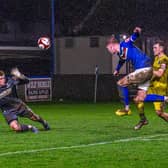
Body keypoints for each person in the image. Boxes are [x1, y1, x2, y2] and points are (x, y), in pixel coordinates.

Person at [106, 27, 153, 116]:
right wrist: (117, 69)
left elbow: (133, 38)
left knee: (121, 83)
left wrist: (137, 32)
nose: (108, 51)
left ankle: (127, 108)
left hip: (143, 69)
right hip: (147, 69)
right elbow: (122, 60)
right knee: (140, 98)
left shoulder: (125, 43)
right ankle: (165, 98)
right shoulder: (121, 53)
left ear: (111, 46)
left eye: (108, 49)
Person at [0, 68, 50, 133]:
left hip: (18, 105)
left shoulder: (10, 81)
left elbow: (26, 81)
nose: (2, 80)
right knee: (16, 128)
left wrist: (19, 75)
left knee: (34, 117)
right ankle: (31, 127)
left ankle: (43, 122)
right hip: (7, 110)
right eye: (0, 79)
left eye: (2, 78)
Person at [134, 40, 168, 130]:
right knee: (138, 99)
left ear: (161, 48)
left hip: (159, 87)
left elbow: (160, 73)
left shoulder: (163, 59)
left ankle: (143, 119)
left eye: (155, 47)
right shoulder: (157, 58)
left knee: (159, 113)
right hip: (153, 86)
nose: (153, 49)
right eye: (153, 48)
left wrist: (148, 71)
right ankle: (143, 119)